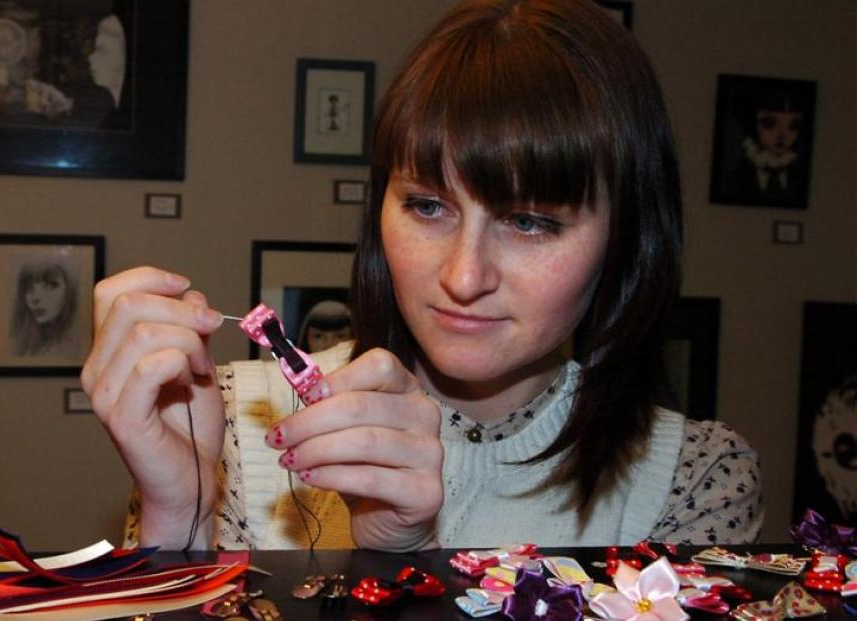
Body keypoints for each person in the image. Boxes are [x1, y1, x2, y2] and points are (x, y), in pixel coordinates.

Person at [82, 0, 763, 552]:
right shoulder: (226, 422)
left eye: (529, 221)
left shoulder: (695, 477)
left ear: (628, 237)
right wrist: (181, 518)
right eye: (428, 205)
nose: (464, 276)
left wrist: (402, 557)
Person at [11, 258, 78, 357]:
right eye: (29, 288)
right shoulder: (23, 342)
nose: (35, 298)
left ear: (69, 291)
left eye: (49, 286)